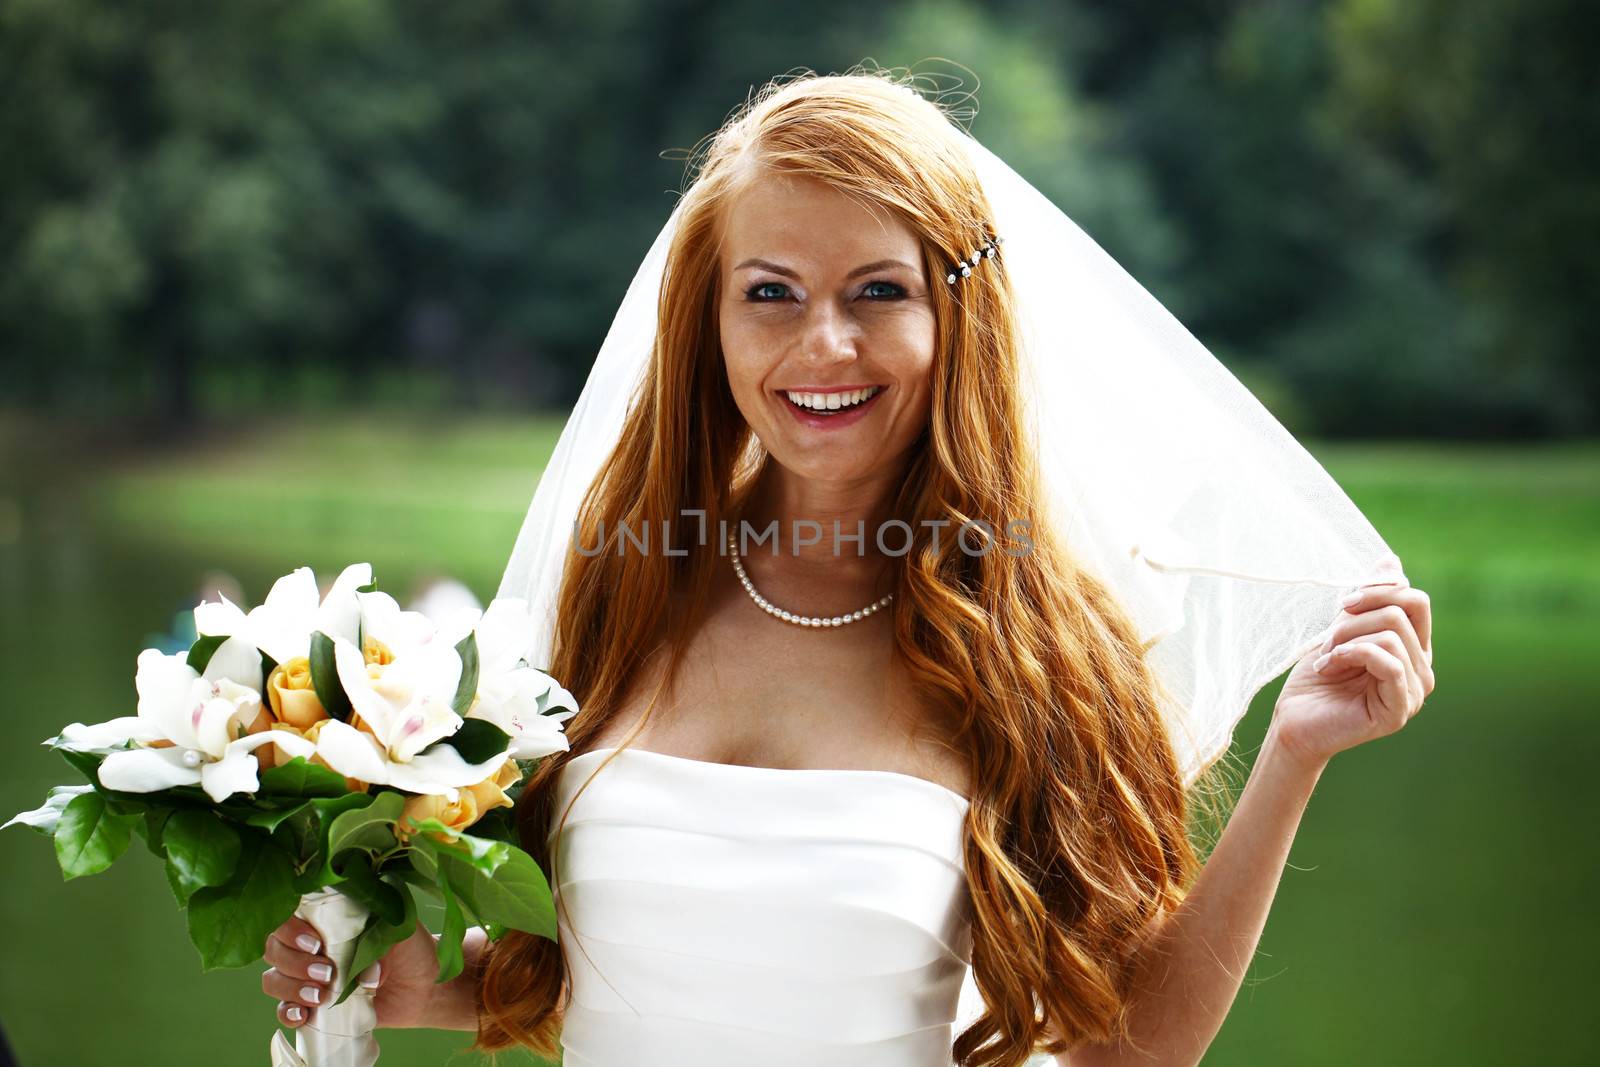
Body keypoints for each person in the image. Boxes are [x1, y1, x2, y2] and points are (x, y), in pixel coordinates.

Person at [259, 68, 1435, 1066]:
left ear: (955, 318)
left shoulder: (1035, 642)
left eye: (879, 291)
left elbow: (1126, 1044)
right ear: (707, 319)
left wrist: (1293, 755)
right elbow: (588, 961)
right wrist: (430, 981)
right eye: (769, 293)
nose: (823, 344)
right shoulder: (623, 588)